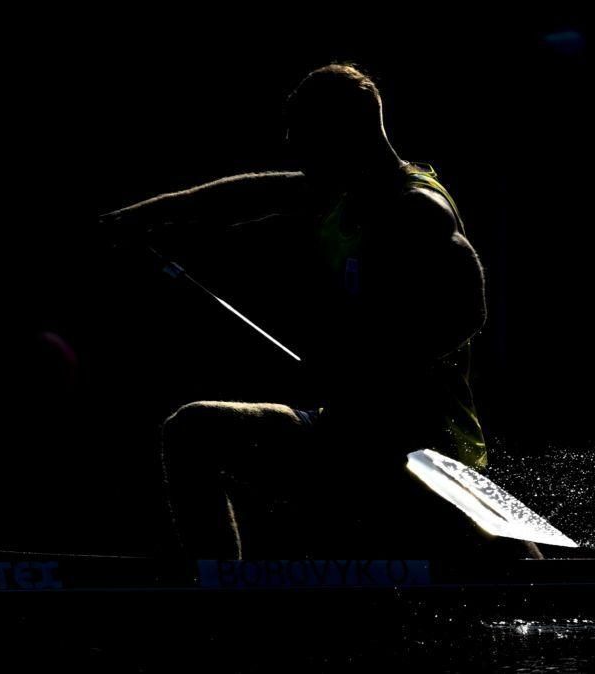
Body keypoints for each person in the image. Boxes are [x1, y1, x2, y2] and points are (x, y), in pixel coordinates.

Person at [102, 64, 489, 559]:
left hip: (422, 449)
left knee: (510, 576)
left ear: (347, 134)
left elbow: (469, 312)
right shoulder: (341, 188)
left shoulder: (415, 210)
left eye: (304, 136)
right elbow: (241, 195)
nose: (294, 148)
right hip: (346, 432)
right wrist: (135, 220)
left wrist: (371, 369)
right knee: (193, 431)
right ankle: (219, 595)